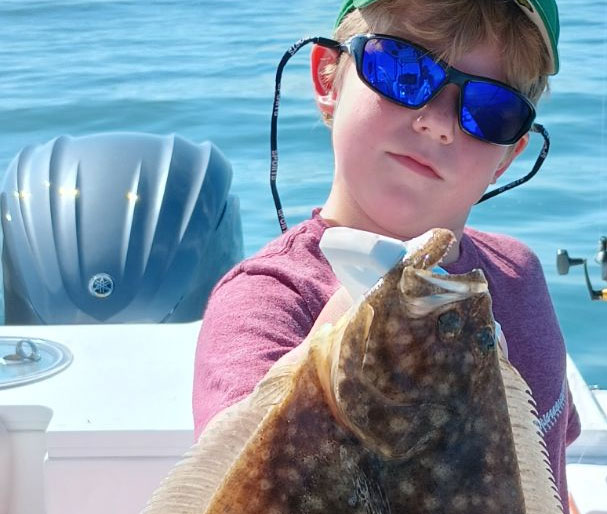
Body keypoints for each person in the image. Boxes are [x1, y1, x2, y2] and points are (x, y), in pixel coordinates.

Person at [193, 0, 581, 511]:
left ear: (508, 157)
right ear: (328, 79)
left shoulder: (519, 272)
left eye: (491, 110)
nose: (439, 123)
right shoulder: (265, 302)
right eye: (403, 69)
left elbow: (548, 478)